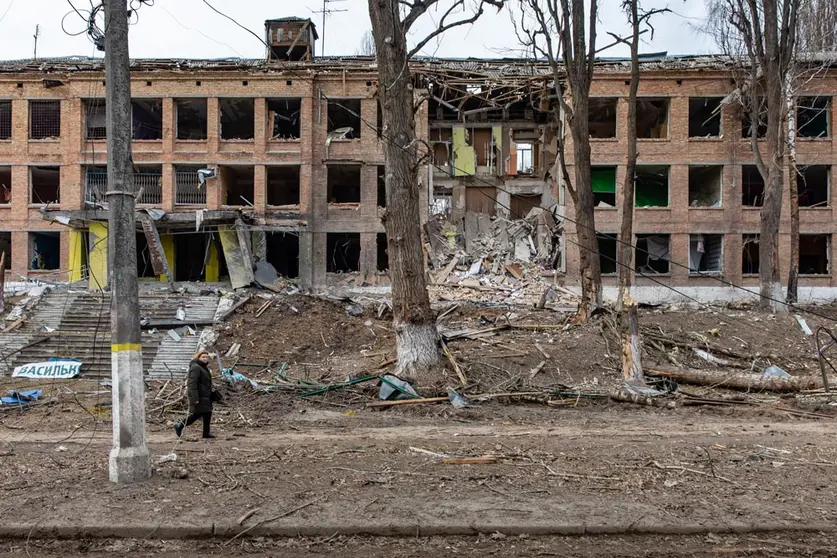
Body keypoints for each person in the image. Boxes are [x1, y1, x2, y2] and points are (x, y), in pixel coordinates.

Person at [175, 350, 215, 439]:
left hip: (206, 396)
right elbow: (192, 384)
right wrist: (194, 398)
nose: (205, 359)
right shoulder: (196, 367)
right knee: (196, 415)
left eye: (206, 357)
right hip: (199, 396)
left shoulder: (203, 367)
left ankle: (206, 433)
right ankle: (179, 425)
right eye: (203, 357)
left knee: (208, 414)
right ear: (198, 357)